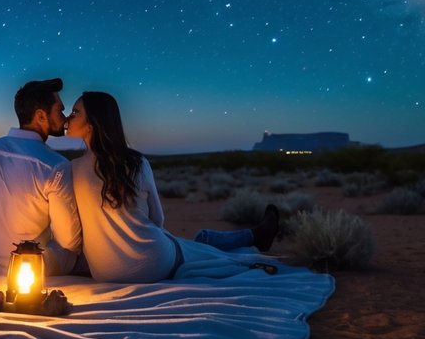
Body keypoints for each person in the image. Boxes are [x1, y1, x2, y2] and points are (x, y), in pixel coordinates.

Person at [64, 90, 278, 283]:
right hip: (153, 262)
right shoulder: (136, 163)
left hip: (105, 272)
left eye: (75, 112)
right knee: (197, 244)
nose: (68, 117)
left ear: (92, 123)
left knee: (191, 244)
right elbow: (158, 219)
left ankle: (254, 236)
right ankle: (253, 236)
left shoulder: (71, 169)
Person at [0, 77, 83, 276]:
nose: (65, 117)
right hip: (28, 266)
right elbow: (69, 241)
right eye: (60, 110)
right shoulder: (55, 165)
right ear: (41, 116)